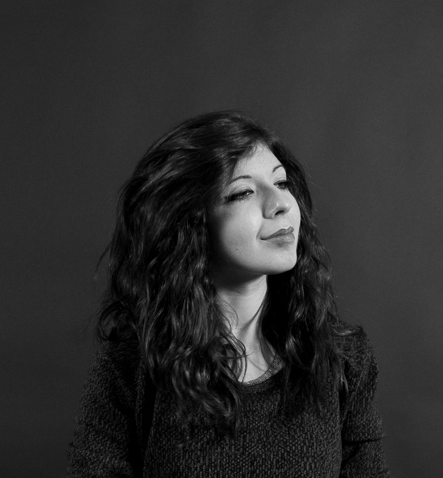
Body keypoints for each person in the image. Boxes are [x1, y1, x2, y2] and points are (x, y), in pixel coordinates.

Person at [67, 111, 390, 477]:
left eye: (281, 182)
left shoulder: (344, 359)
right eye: (243, 192)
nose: (281, 203)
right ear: (190, 222)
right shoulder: (133, 363)